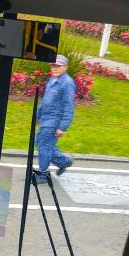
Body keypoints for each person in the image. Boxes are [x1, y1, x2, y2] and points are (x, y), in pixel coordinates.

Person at [34, 54, 76, 183]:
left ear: (65, 67)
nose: (55, 68)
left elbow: (69, 107)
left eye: (58, 66)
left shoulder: (67, 83)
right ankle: (63, 161)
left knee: (44, 146)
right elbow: (46, 101)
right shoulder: (52, 80)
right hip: (46, 118)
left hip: (55, 120)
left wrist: (62, 127)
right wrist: (38, 115)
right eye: (53, 66)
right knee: (41, 143)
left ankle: (43, 175)